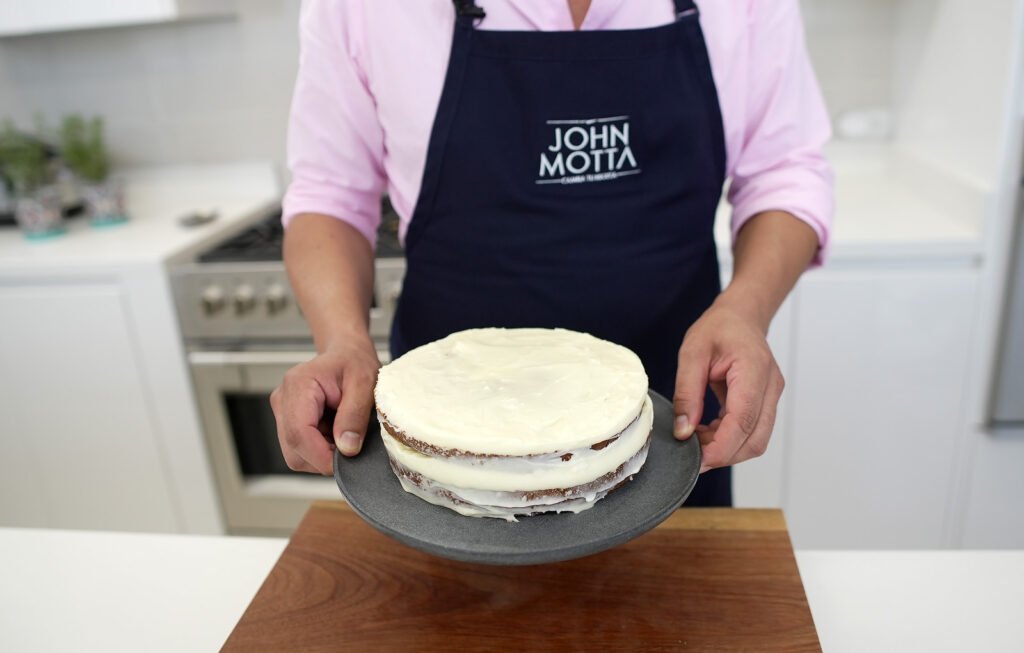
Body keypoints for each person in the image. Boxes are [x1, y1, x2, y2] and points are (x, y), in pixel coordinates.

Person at [270, 0, 834, 507]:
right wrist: (342, 339)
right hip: (443, 456)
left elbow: (784, 171)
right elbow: (330, 195)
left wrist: (745, 311)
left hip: (672, 422)